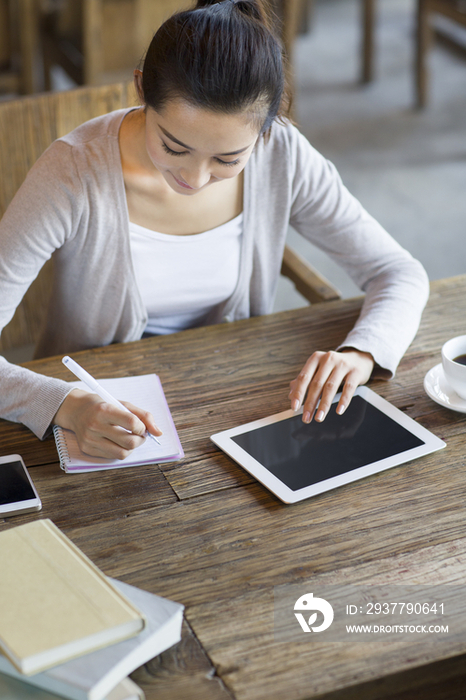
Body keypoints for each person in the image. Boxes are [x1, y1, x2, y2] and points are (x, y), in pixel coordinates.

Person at [0, 0, 429, 461]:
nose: (196, 178)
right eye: (173, 146)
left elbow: (398, 271)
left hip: (233, 408)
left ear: (266, 128)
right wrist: (65, 402)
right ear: (142, 87)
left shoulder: (283, 154)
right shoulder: (72, 172)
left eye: (228, 159)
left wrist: (361, 354)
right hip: (100, 426)